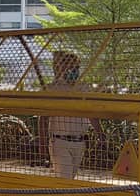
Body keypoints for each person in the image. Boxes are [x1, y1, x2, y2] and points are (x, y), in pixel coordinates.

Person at [39, 51, 102, 179]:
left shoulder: (85, 88)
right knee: (64, 179)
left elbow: (91, 114)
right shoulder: (52, 89)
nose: (73, 70)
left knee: (71, 179)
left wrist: (100, 133)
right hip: (60, 142)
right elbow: (43, 118)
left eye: (76, 67)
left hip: (79, 142)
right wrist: (42, 143)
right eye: (70, 67)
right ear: (62, 68)